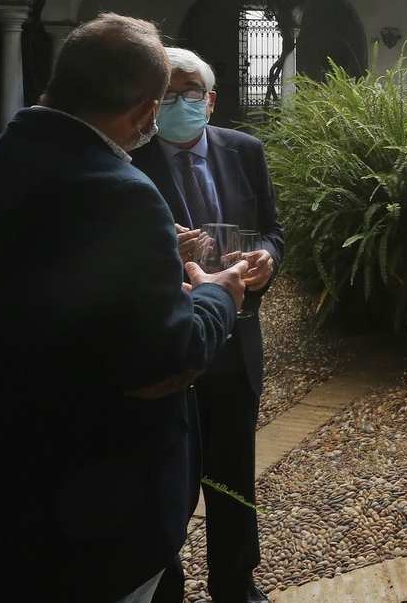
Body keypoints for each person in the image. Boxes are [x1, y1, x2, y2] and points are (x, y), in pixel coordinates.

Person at [0, 14, 247, 603]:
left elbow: (48, 317)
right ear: (145, 110)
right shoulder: (120, 193)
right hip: (91, 526)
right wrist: (219, 293)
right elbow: (162, 364)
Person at [132, 48, 284, 603]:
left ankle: (235, 579)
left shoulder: (244, 151)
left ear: (210, 101)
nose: (179, 104)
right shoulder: (130, 163)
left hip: (237, 335)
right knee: (166, 472)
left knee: (234, 466)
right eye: (168, 94)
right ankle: (164, 587)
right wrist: (166, 253)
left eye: (190, 94)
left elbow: (272, 228)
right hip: (171, 338)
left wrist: (267, 259)